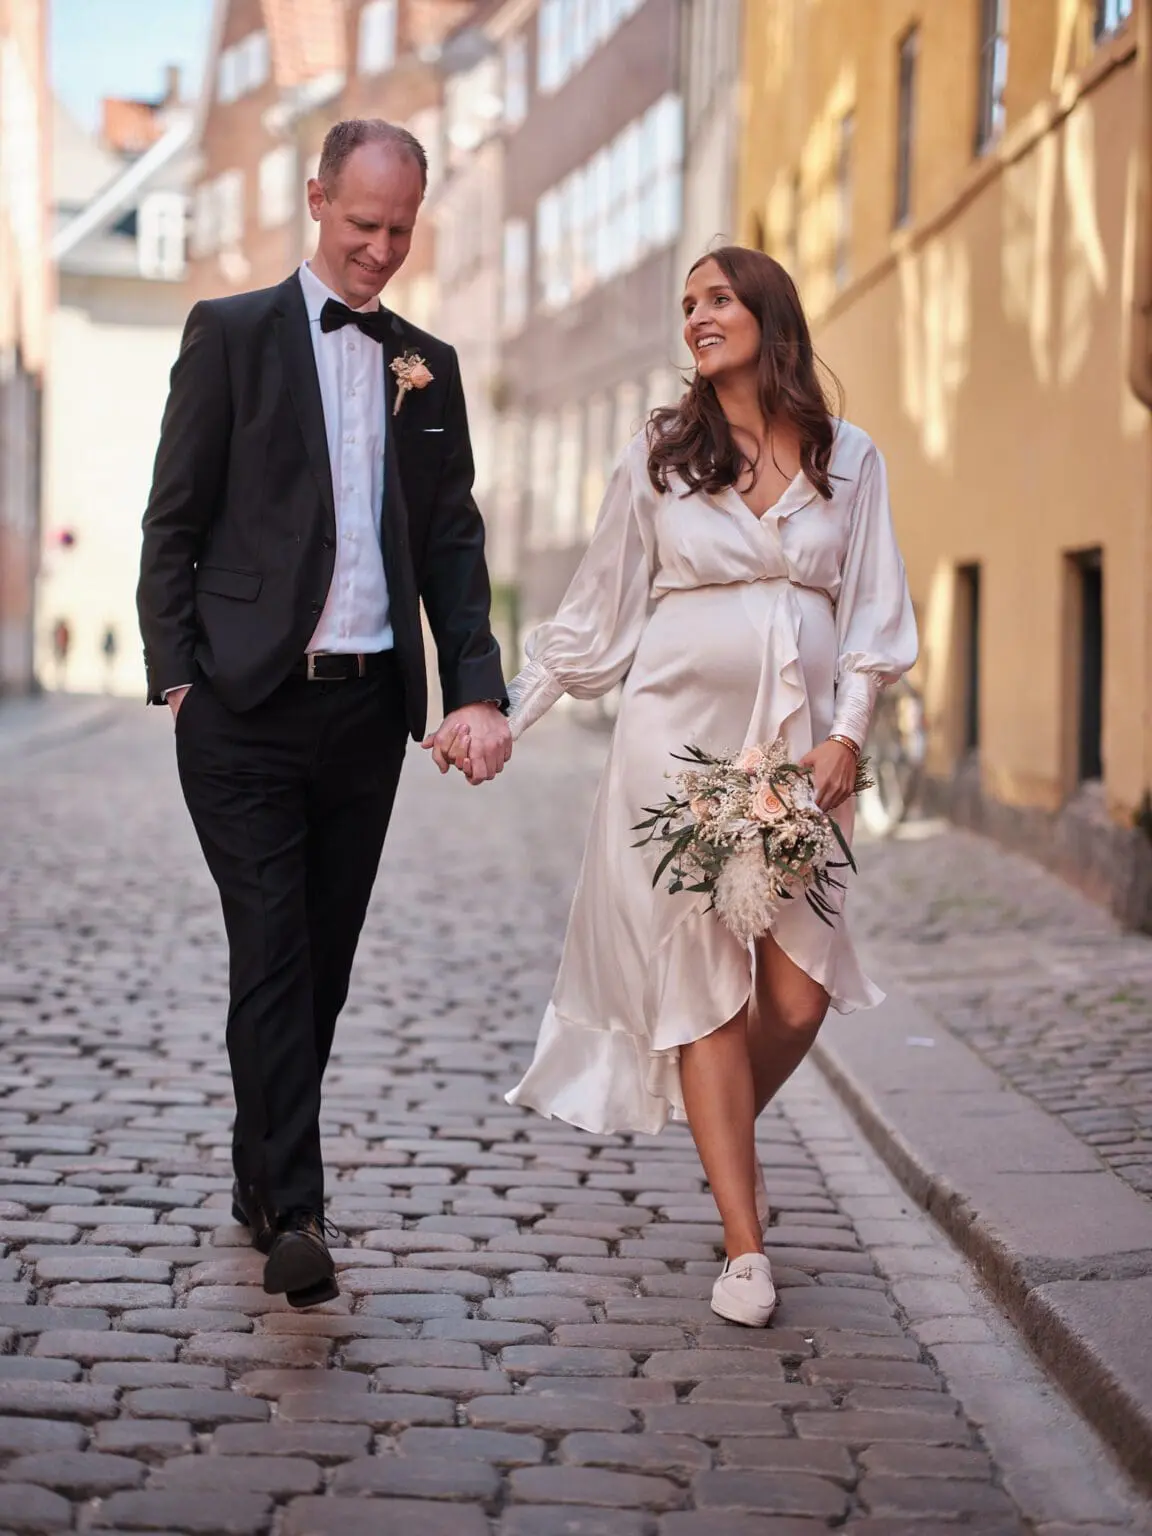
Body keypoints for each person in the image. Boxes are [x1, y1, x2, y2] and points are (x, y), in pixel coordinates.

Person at [450, 247, 917, 1328]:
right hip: (675, 757)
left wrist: (849, 738)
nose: (698, 317)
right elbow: (593, 617)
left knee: (797, 992)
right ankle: (744, 1244)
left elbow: (877, 616)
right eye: (688, 306)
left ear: (768, 314)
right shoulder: (659, 461)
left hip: (799, 760)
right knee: (706, 987)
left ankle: (724, 1148)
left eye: (718, 299)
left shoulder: (850, 460)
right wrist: (503, 719)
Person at [136, 119, 511, 1309]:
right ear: (316, 201)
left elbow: (451, 542)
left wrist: (480, 685)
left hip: (365, 715)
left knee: (324, 968)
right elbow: (174, 519)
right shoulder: (232, 334)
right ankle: (297, 1209)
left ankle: (258, 1172)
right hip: (241, 708)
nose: (380, 252)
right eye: (362, 226)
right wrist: (177, 670)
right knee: (275, 948)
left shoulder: (427, 365)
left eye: (400, 230)